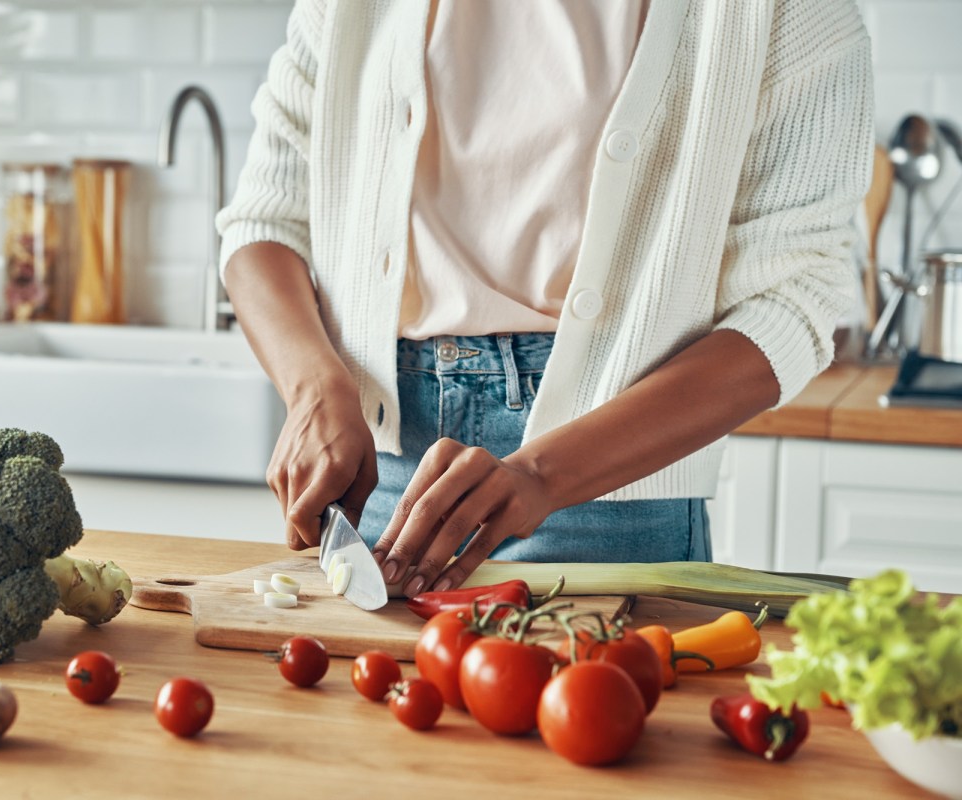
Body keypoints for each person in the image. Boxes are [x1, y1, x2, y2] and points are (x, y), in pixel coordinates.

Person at [214, 0, 874, 599]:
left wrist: (543, 475)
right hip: (379, 479)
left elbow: (792, 302)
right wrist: (314, 387)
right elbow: (265, 223)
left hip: (610, 488)